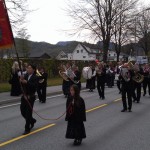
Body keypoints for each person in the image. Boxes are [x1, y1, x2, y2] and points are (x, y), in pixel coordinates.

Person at [20, 64, 38, 135]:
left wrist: (26, 82)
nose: (28, 69)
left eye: (29, 68)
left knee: (28, 113)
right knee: (22, 111)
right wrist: (21, 80)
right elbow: (22, 86)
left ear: (33, 70)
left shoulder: (35, 77)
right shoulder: (26, 75)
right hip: (24, 96)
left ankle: (27, 128)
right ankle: (32, 120)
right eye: (27, 68)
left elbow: (34, 87)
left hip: (31, 97)